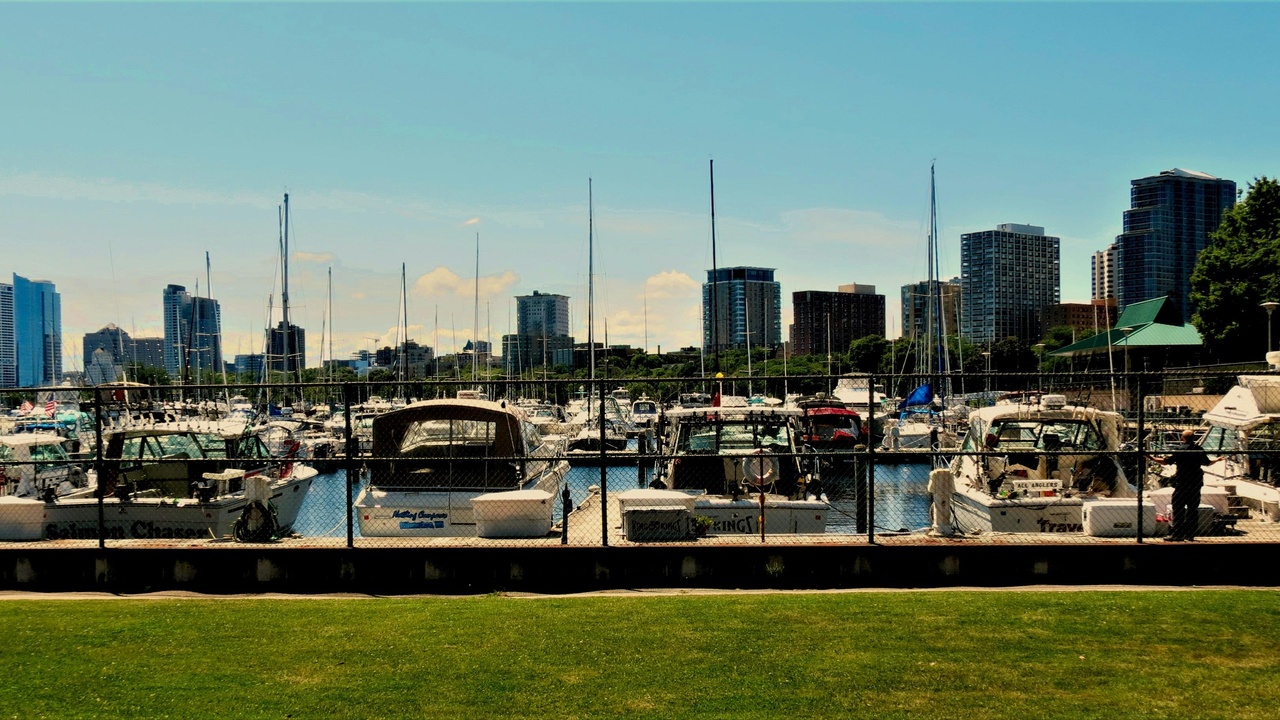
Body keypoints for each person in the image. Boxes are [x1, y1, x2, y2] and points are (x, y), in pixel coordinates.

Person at [1150, 429, 1222, 541]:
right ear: (1193, 438)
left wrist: (1152, 458)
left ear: (1182, 438)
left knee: (1178, 507)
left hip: (1182, 482)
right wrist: (1217, 460)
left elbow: (1166, 461)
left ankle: (1177, 534)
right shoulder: (1199, 449)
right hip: (1195, 482)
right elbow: (1207, 462)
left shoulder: (1180, 450)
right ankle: (1190, 534)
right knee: (1192, 509)